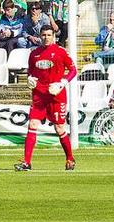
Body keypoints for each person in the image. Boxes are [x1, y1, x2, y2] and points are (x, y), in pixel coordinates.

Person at [14, 25, 77, 171]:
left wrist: (62, 82)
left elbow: (73, 70)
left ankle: (69, 158)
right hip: (39, 95)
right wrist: (30, 78)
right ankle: (27, 162)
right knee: (32, 125)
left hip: (56, 95)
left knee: (59, 128)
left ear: (53, 36)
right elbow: (31, 71)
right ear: (40, 35)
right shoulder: (34, 53)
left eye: (49, 35)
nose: (46, 38)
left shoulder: (61, 52)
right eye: (44, 35)